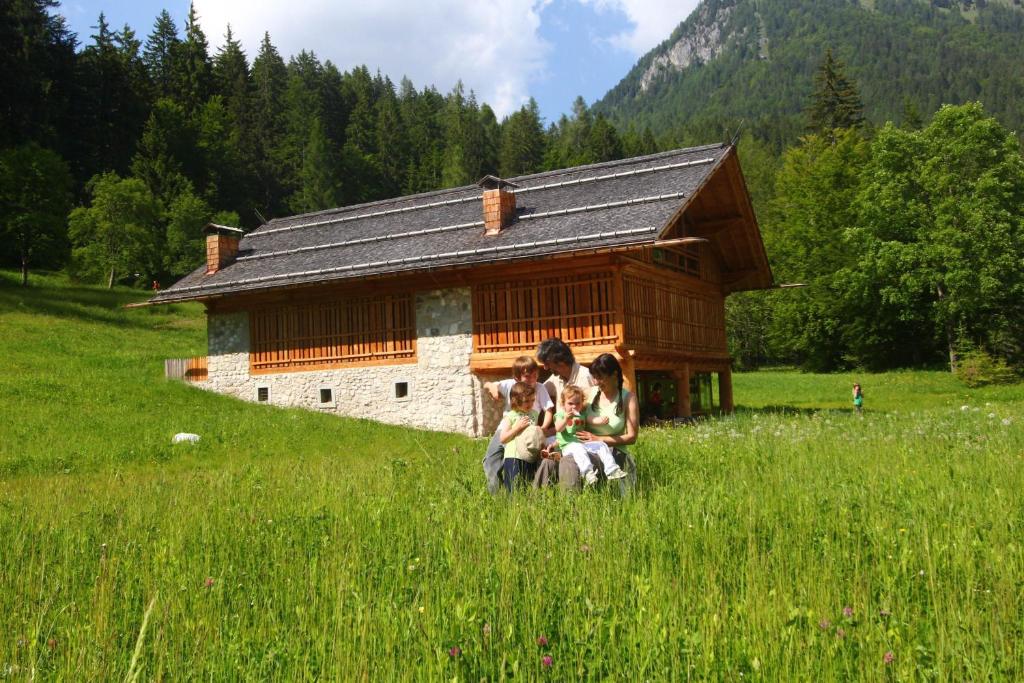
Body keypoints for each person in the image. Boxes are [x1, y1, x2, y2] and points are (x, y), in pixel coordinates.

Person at [558, 353, 639, 491]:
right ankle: (535, 501)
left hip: (611, 451)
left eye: (600, 377)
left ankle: (571, 507)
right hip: (581, 446)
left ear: (614, 375)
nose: (596, 381)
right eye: (594, 377)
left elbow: (632, 437)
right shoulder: (590, 393)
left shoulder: (628, 398)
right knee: (548, 462)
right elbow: (569, 412)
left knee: (569, 461)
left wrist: (599, 439)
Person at [481, 356, 554, 494]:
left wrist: (543, 428)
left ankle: (522, 494)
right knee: (490, 461)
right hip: (505, 430)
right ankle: (497, 495)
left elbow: (548, 410)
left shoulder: (540, 388)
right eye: (528, 376)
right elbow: (488, 384)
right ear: (517, 377)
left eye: (535, 375)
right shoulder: (510, 385)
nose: (532, 380)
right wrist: (493, 389)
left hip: (526, 435)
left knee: (523, 466)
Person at [552, 384, 626, 486]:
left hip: (582, 444)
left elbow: (591, 419)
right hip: (568, 446)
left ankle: (612, 469)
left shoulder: (582, 414)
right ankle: (587, 472)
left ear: (582, 403)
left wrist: (600, 421)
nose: (574, 406)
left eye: (578, 403)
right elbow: (558, 428)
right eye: (570, 403)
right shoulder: (560, 415)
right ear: (563, 403)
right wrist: (565, 419)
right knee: (578, 448)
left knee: (601, 445)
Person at [499, 382, 544, 491]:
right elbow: (503, 438)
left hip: (530, 456)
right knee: (513, 491)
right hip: (514, 457)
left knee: (527, 488)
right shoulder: (511, 416)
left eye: (533, 400)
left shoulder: (534, 414)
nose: (531, 404)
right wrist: (517, 428)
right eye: (526, 401)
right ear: (516, 400)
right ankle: (511, 508)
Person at [536, 338, 593, 407]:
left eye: (547, 364)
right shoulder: (555, 378)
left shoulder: (586, 376)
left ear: (560, 361)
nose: (545, 368)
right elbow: (538, 393)